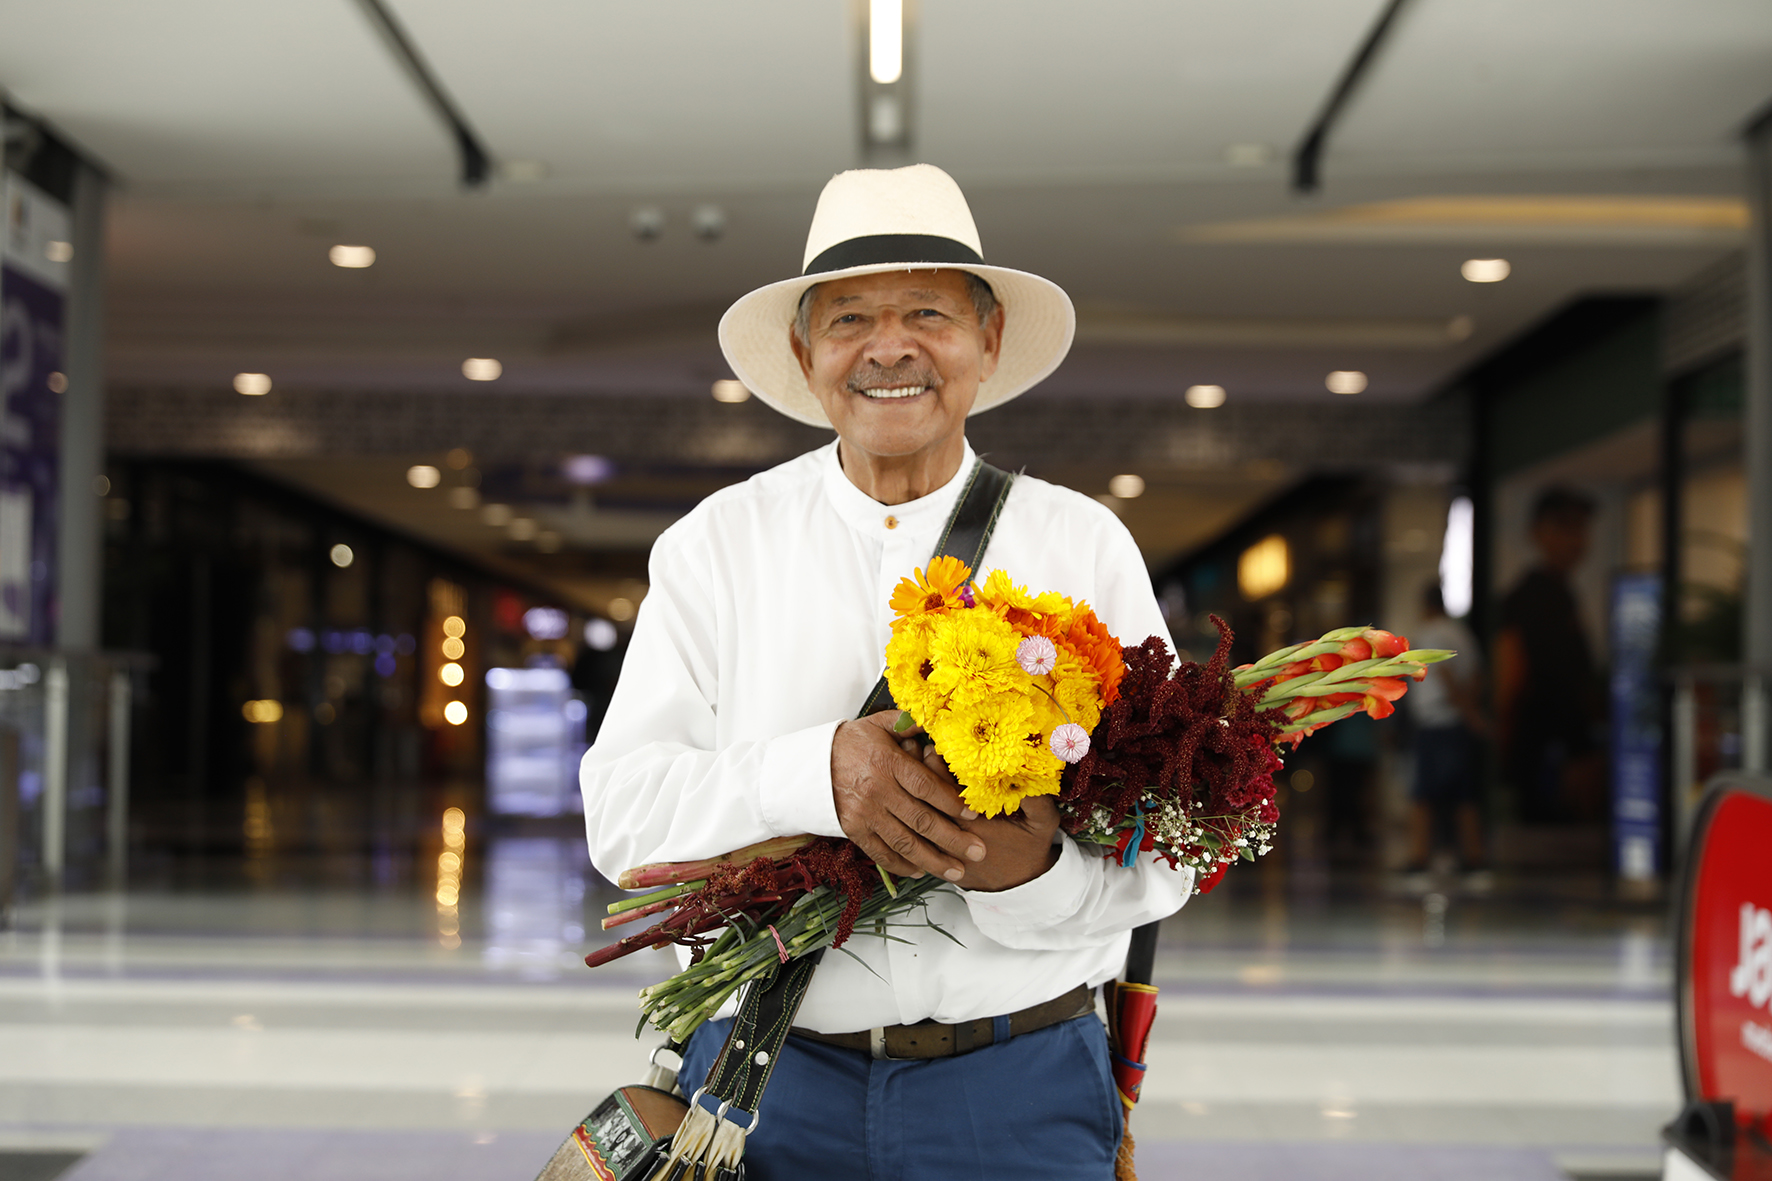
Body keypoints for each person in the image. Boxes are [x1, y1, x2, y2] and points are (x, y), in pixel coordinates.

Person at [580, 164, 1189, 1179]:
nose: (889, 345)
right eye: (850, 315)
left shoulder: (1081, 544)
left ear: (987, 339)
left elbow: (1163, 852)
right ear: (804, 350)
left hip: (1020, 1089)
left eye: (926, 312)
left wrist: (1027, 879)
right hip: (765, 1089)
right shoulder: (718, 544)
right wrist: (816, 774)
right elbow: (624, 818)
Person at [1494, 486, 1607, 825]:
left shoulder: (1563, 592)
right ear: (1537, 532)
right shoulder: (1527, 596)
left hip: (1564, 742)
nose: (1576, 539)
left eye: (1581, 528)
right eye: (1564, 527)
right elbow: (1510, 671)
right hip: (1541, 742)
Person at [1403, 582, 1489, 888]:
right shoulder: (1461, 633)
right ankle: (1474, 860)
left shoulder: (1431, 633)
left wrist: (1468, 712)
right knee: (1464, 794)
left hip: (1437, 722)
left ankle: (1419, 860)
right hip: (1457, 724)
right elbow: (1477, 674)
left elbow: (1445, 675)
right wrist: (1471, 712)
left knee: (1423, 795)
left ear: (1426, 606)